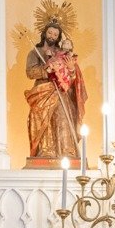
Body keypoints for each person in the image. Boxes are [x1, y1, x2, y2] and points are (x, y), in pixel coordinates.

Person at [25, 17, 86, 163]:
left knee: (63, 118)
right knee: (43, 119)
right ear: (45, 33)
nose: (52, 36)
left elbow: (71, 77)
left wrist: (71, 69)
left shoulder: (63, 53)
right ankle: (45, 152)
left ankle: (67, 152)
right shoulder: (35, 52)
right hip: (43, 92)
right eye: (50, 33)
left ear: (59, 37)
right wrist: (47, 69)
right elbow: (30, 72)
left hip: (61, 91)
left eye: (55, 34)